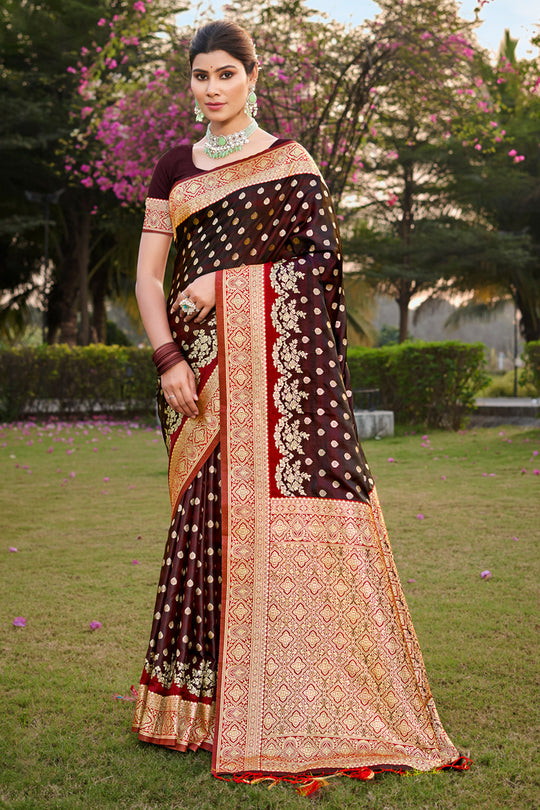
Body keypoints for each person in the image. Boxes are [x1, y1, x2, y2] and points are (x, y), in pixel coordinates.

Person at [132, 19, 469, 793]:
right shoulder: (174, 166)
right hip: (201, 379)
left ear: (253, 75)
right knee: (201, 529)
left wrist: (222, 286)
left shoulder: (290, 162)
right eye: (200, 76)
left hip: (273, 387)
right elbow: (150, 279)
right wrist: (167, 360)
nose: (212, 88)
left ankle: (288, 700)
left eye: (225, 74)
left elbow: (318, 271)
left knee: (256, 530)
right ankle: (196, 710)